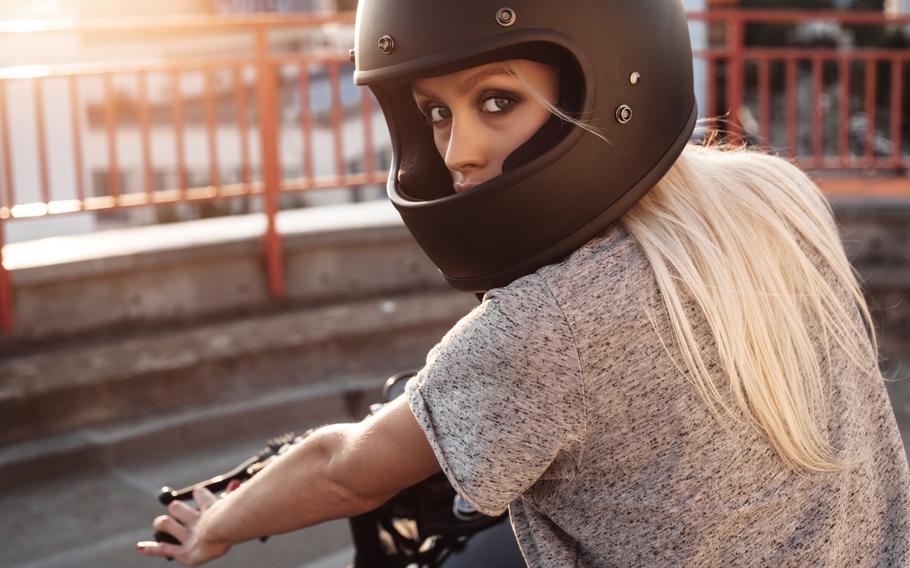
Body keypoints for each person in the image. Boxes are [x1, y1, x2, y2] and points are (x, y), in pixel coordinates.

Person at [137, 0, 910, 566]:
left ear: (607, 87)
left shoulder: (546, 326)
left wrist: (216, 526)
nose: (458, 153)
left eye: (496, 101)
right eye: (436, 113)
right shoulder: (777, 196)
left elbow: (345, 472)